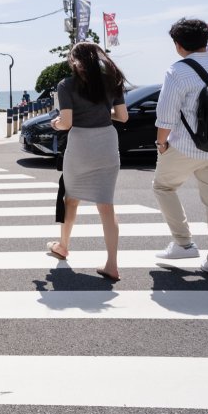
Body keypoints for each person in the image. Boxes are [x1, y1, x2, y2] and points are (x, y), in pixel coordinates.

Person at [153, 18, 208, 280]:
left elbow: (165, 115)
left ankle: (184, 243)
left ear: (178, 45)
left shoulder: (177, 70)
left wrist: (161, 143)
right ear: (205, 39)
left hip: (187, 147)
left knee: (163, 187)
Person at [45, 43, 128, 281]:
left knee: (71, 199)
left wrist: (55, 123)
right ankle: (112, 264)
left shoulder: (66, 85)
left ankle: (63, 245)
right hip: (107, 143)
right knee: (106, 205)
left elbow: (67, 122)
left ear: (74, 61)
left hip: (81, 145)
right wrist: (102, 113)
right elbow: (122, 116)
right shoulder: (112, 80)